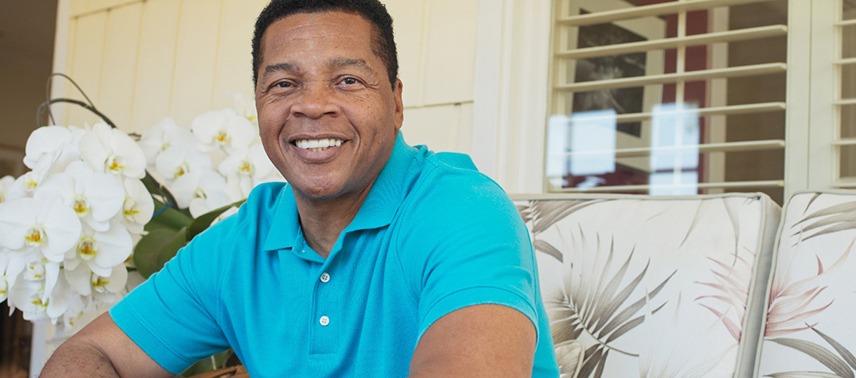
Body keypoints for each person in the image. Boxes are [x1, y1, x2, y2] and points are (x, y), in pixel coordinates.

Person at [41, 0, 560, 376]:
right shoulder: (241, 242)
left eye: (348, 80)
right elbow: (90, 354)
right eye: (284, 83)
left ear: (397, 102)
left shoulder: (463, 211)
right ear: (260, 105)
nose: (312, 106)